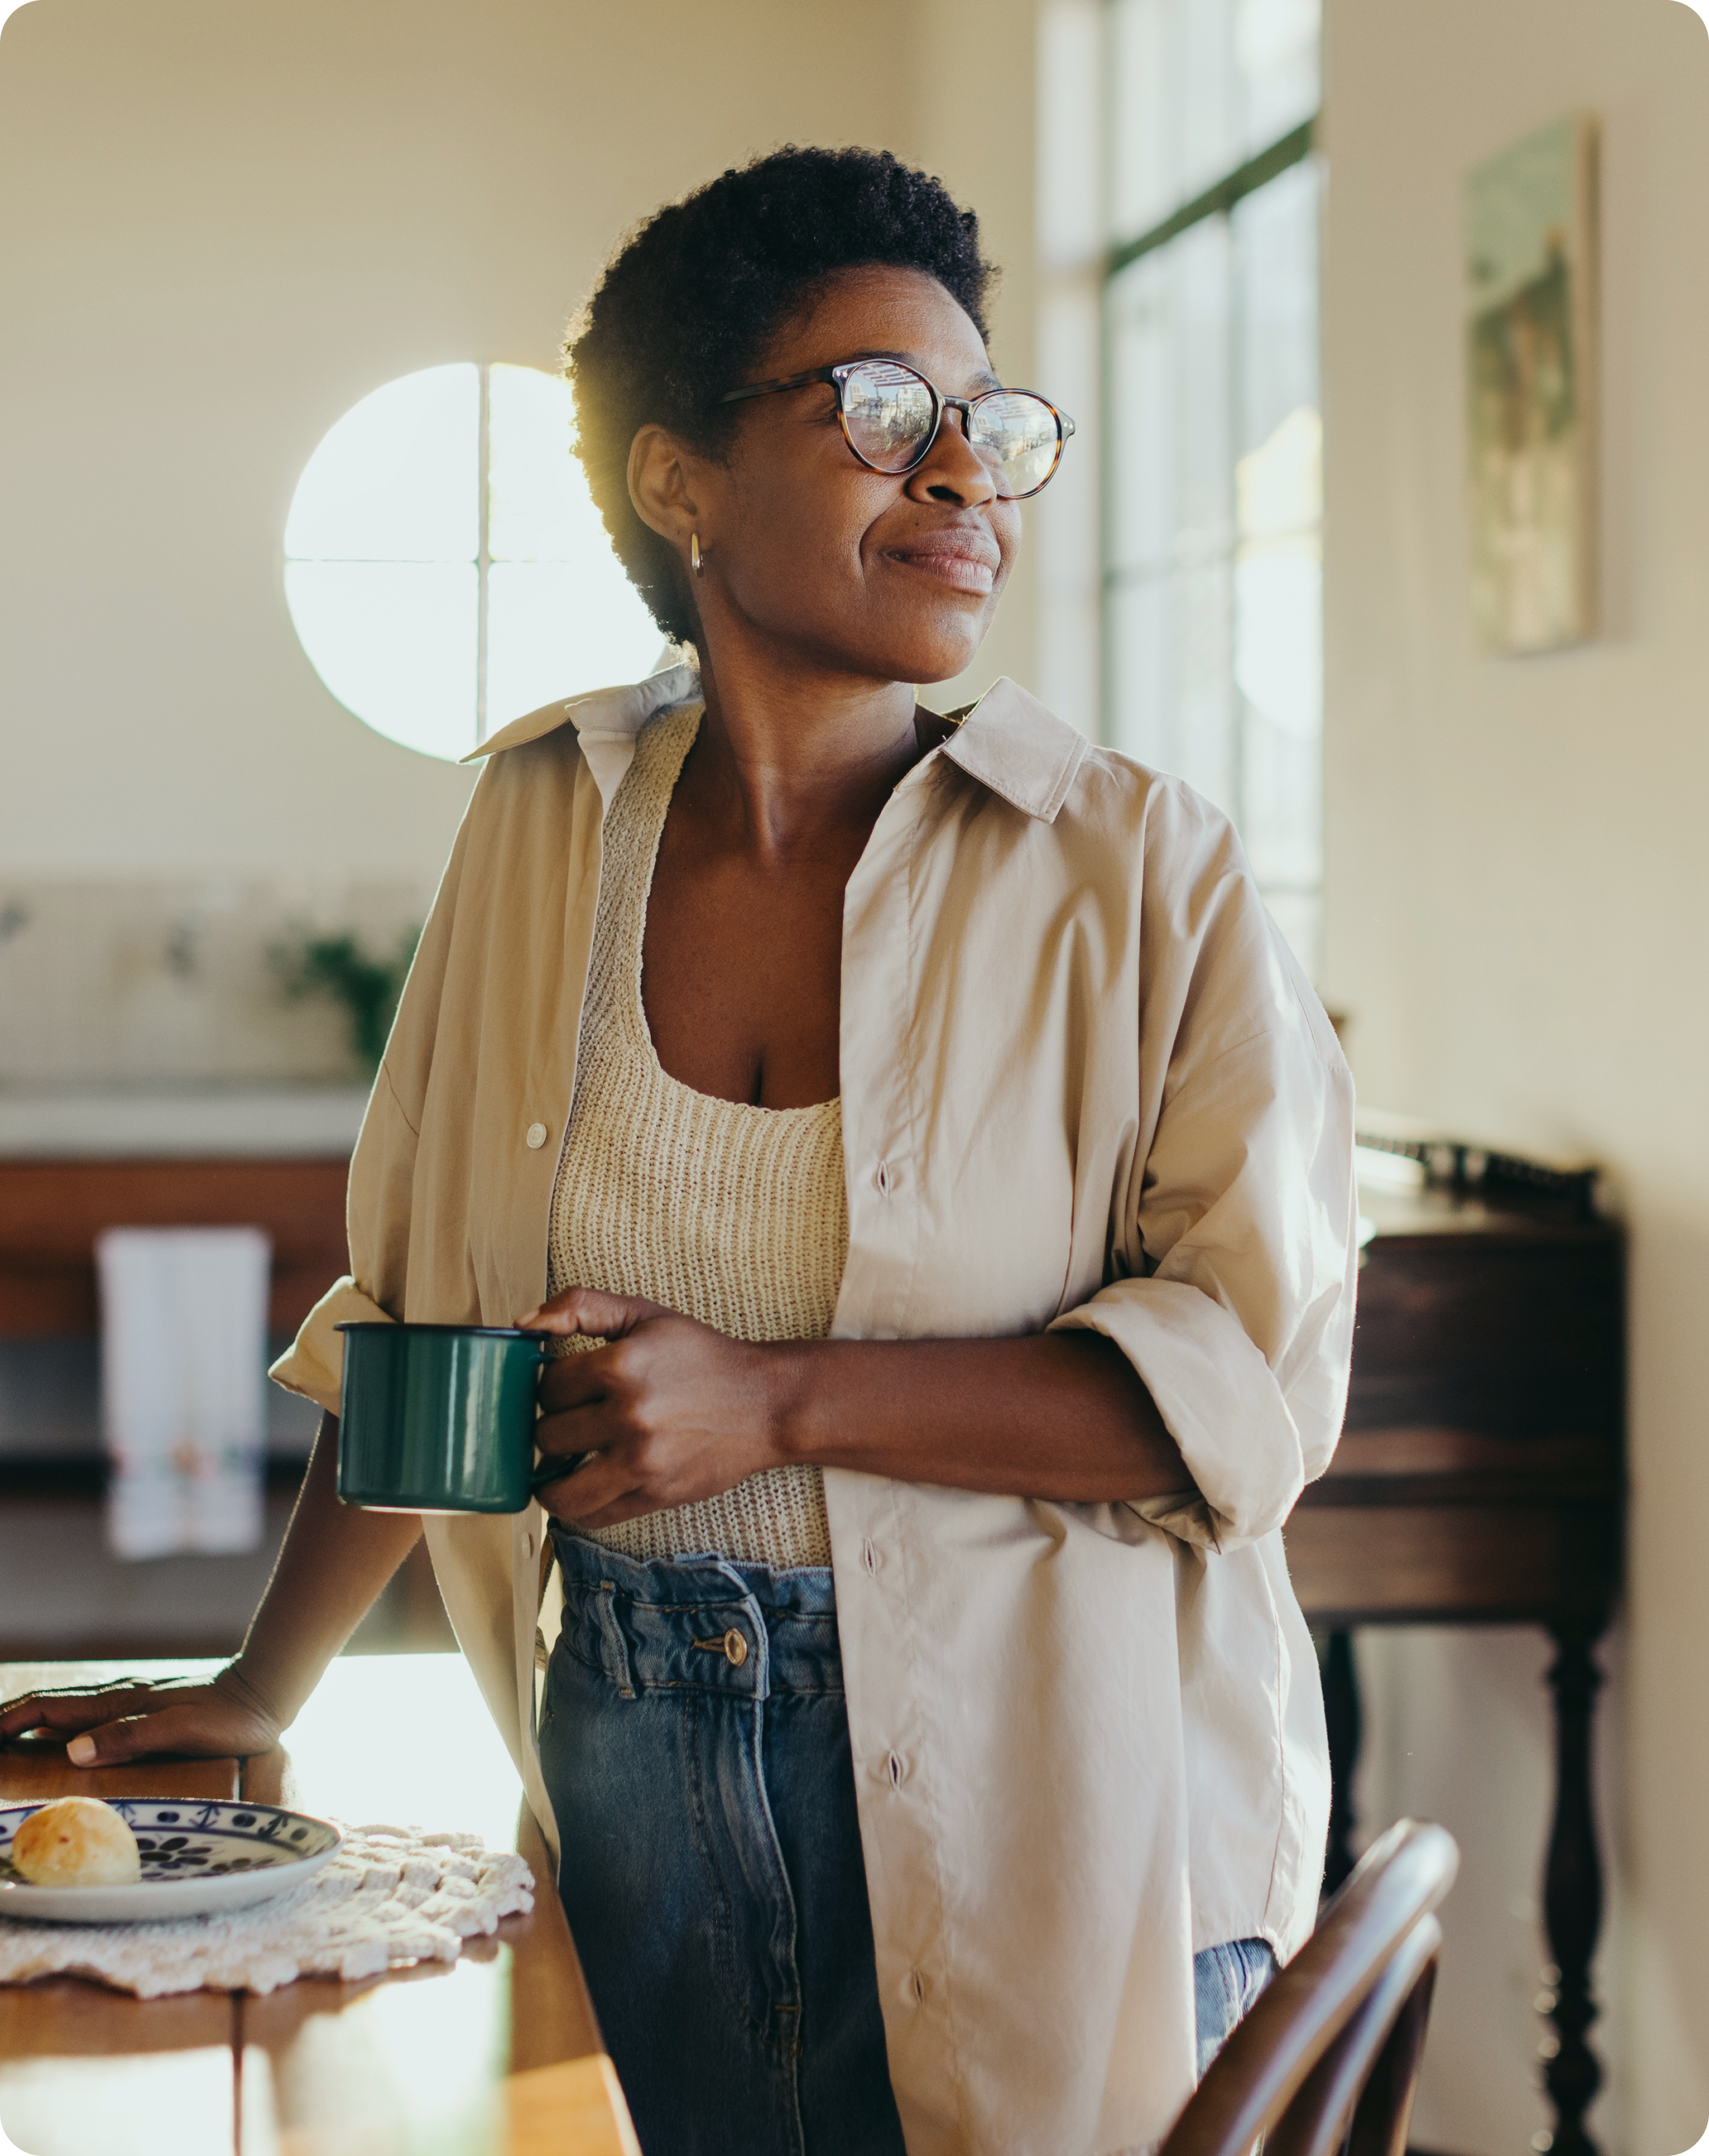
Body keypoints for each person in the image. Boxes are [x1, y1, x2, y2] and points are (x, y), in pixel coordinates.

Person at [0, 148, 1356, 2156]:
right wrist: (264, 1674)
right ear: (679, 484)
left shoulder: (1140, 866)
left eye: (989, 426)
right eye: (885, 415)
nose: (966, 476)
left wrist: (775, 1401)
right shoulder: (542, 825)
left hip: (1061, 1775)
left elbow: (1250, 1391)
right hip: (638, 1751)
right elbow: (432, 1317)